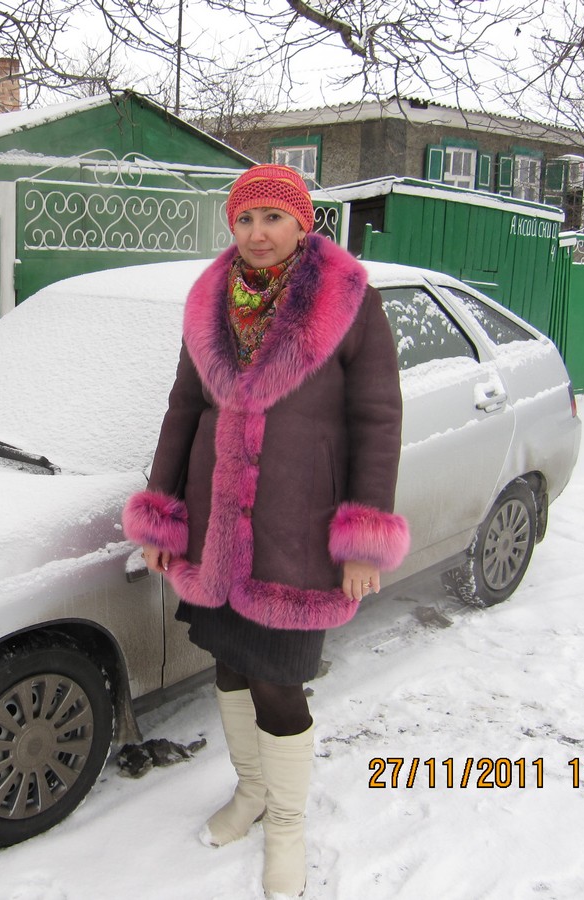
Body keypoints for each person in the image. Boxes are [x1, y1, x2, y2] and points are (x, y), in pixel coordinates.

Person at [122, 164, 408, 899]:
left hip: (298, 528)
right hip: (215, 526)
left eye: (273, 218)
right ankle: (251, 791)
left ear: (303, 223)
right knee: (227, 663)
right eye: (245, 219)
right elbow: (183, 409)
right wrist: (162, 514)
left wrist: (362, 541)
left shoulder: (350, 299)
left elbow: (377, 419)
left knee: (278, 684)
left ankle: (286, 824)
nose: (257, 233)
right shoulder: (209, 300)